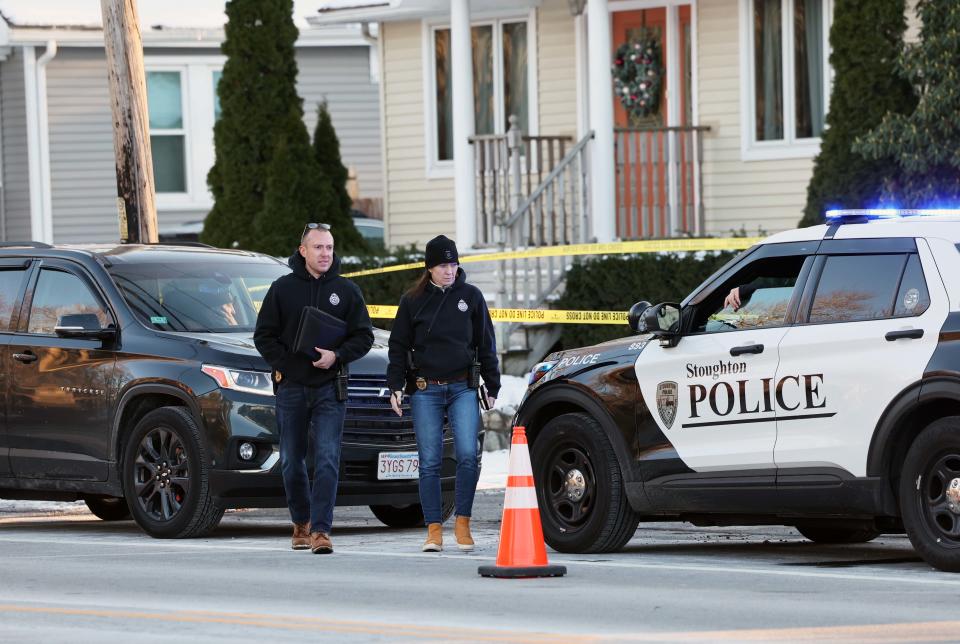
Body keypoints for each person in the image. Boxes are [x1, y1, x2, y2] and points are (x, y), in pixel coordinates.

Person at [254, 223, 374, 554]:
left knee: (327, 458)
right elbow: (263, 336)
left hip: (329, 388)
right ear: (303, 250)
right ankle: (300, 522)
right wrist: (289, 365)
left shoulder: (347, 291)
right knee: (292, 460)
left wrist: (337, 356)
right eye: (318, 247)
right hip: (291, 387)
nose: (325, 254)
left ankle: (321, 530)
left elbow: (363, 336)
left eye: (329, 248)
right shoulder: (282, 289)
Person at [386, 235, 500, 552]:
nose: (449, 271)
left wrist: (492, 384)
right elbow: (397, 346)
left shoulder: (472, 297)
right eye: (443, 265)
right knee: (430, 462)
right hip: (425, 390)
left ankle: (462, 522)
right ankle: (433, 529)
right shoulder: (412, 301)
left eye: (453, 264)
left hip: (463, 387)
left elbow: (486, 344)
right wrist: (395, 385)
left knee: (467, 455)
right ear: (430, 268)